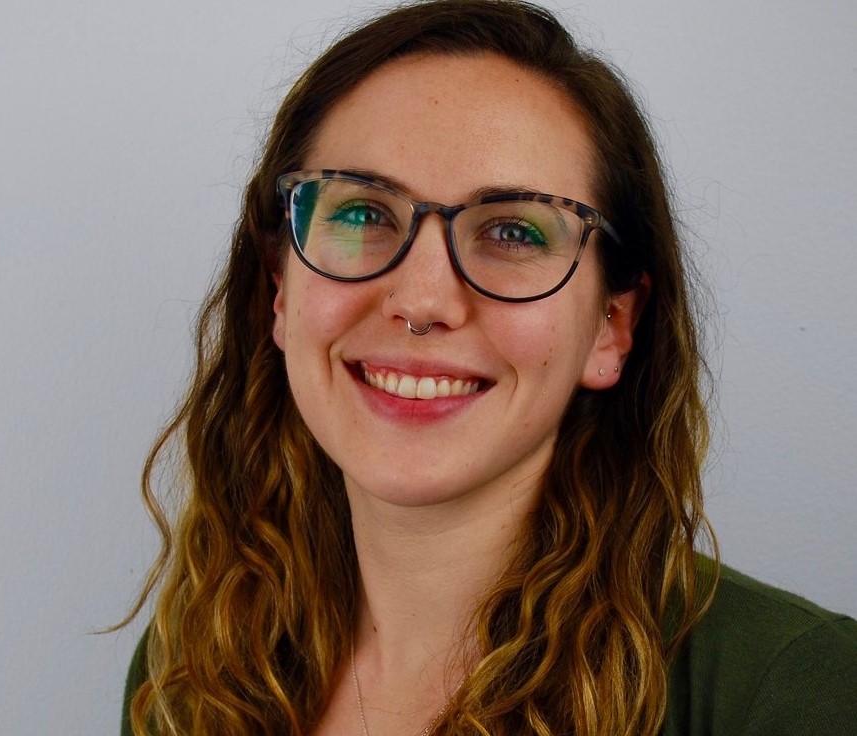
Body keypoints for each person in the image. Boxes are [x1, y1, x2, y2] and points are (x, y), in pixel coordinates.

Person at [119, 1, 857, 734]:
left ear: (612, 325)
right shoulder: (188, 667)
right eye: (364, 214)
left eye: (511, 230)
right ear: (279, 288)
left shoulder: (788, 692)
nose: (422, 299)